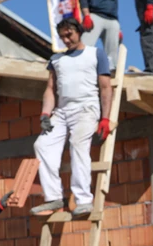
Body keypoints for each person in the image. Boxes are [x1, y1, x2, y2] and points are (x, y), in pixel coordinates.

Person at [32, 18, 113, 218]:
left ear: (79, 32)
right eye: (63, 37)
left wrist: (105, 118)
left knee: (78, 145)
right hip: (62, 111)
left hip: (86, 108)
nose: (66, 40)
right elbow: (50, 89)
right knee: (42, 145)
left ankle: (83, 200)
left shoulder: (95, 53)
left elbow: (105, 87)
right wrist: (45, 113)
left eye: (69, 35)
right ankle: (53, 197)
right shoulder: (56, 60)